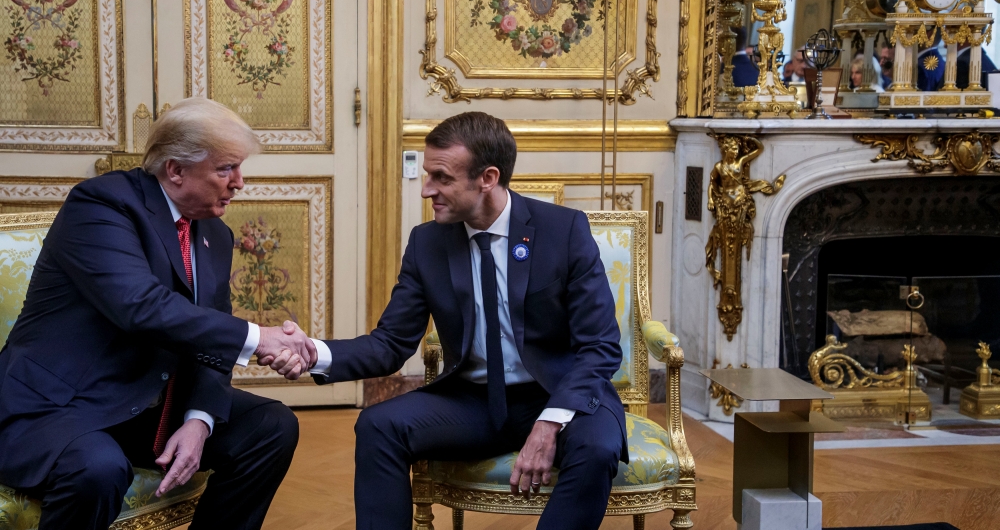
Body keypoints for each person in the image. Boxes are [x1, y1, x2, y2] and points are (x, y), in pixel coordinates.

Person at [287, 112, 626, 530]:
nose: (427, 189)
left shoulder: (563, 231)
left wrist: (551, 421)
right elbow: (391, 342)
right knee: (378, 426)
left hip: (559, 394)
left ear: (487, 177)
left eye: (441, 178)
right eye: (428, 175)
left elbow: (601, 346)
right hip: (474, 402)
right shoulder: (426, 243)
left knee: (597, 448)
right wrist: (314, 353)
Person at [0, 97, 317, 530]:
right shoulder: (101, 206)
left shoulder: (215, 235)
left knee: (271, 427)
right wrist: (259, 338)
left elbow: (210, 345)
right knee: (98, 469)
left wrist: (199, 420)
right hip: (60, 404)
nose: (239, 182)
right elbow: (141, 306)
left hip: (146, 398)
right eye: (226, 169)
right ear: (176, 169)